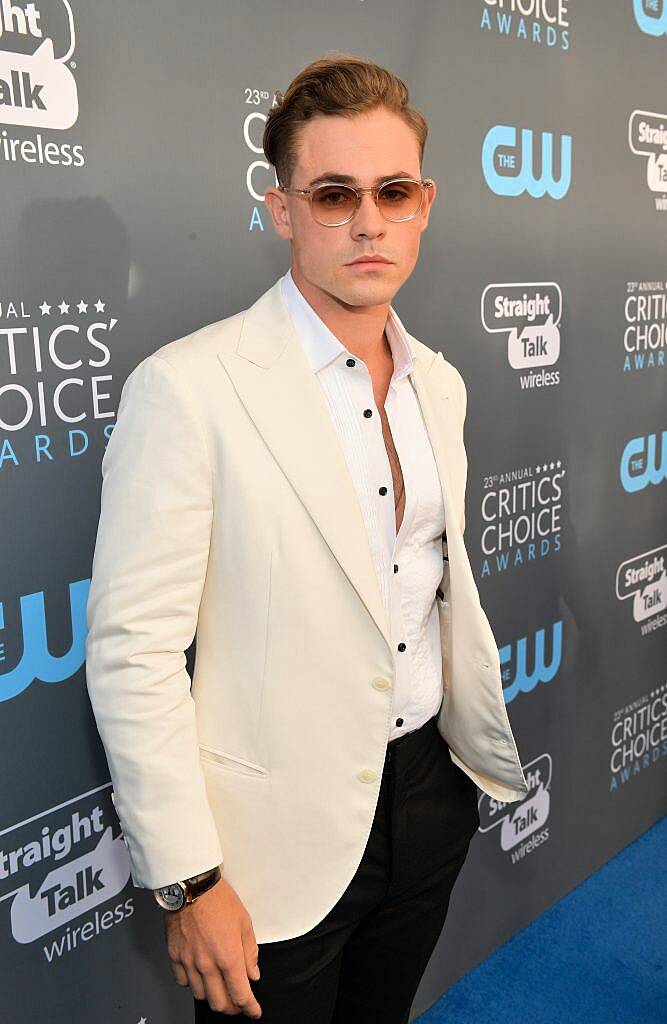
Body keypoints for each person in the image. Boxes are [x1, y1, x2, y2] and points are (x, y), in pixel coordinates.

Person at [85, 52, 528, 1023]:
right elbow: (132, 650)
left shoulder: (441, 382)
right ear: (283, 208)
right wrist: (190, 881)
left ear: (424, 203)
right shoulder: (190, 388)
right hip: (266, 847)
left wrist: (450, 781)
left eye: (392, 190)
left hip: (429, 792)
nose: (368, 220)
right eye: (333, 193)